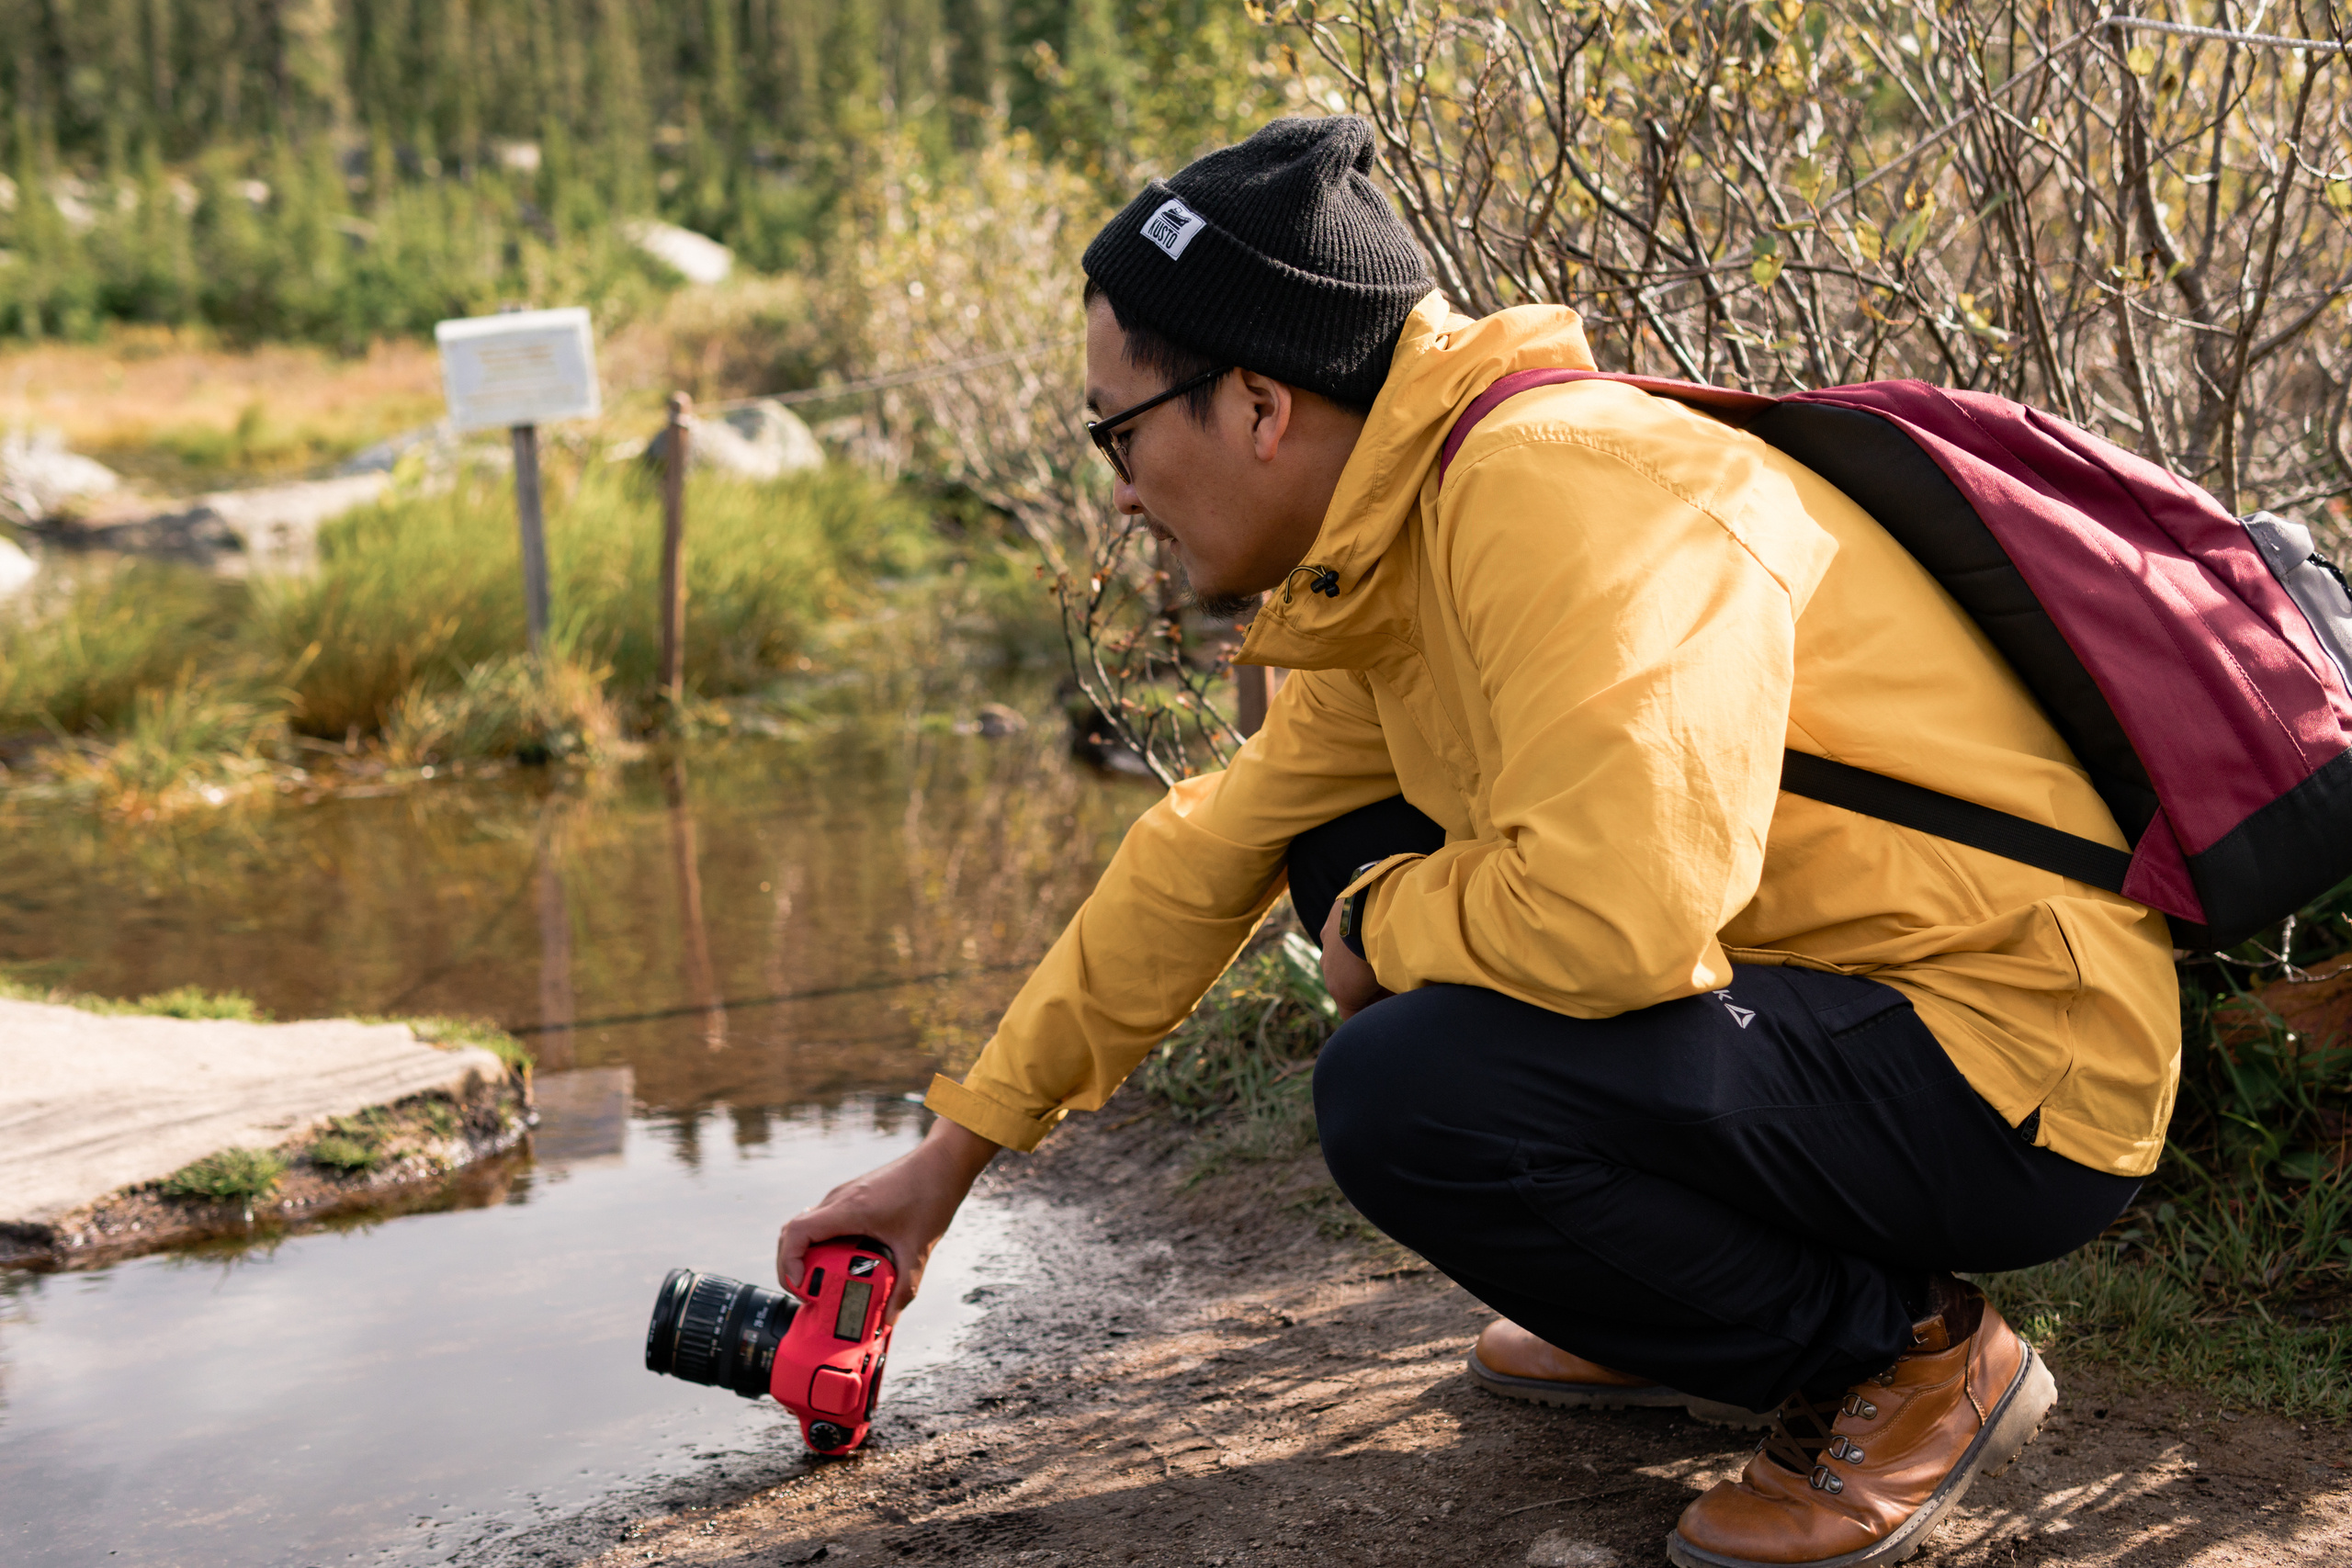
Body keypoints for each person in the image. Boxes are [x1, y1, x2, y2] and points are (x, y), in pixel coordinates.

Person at [778, 116, 2177, 1568]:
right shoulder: (1407, 535)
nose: (1120, 490)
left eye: (1119, 432)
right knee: (1332, 844)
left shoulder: (1561, 487)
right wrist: (950, 1163)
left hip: (2010, 1056)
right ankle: (1671, 1302)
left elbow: (1622, 918)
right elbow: (1203, 851)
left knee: (1411, 1086)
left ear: (1257, 405)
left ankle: (1909, 1354)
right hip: (1839, 1003)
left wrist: (1381, 927)